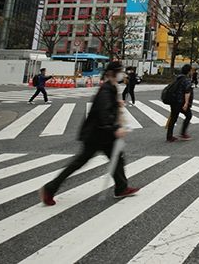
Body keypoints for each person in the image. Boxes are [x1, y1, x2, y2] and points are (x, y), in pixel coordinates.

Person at [40, 61, 139, 205]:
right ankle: (50, 189)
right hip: (97, 134)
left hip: (102, 134)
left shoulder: (110, 87)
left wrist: (116, 104)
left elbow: (105, 107)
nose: (122, 74)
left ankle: (121, 188)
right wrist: (115, 127)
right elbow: (103, 112)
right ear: (111, 73)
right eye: (119, 71)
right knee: (79, 162)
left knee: (117, 158)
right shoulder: (106, 89)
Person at [167, 64, 194, 142]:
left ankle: (169, 137)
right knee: (189, 115)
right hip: (181, 102)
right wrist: (186, 103)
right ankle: (183, 133)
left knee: (173, 119)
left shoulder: (178, 78)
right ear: (188, 71)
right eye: (191, 70)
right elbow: (187, 92)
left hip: (174, 101)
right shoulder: (186, 80)